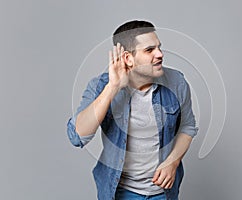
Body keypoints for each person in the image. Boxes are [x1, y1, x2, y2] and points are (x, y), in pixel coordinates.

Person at [67, 20, 198, 200]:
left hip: (163, 193)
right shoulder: (100, 86)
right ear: (128, 58)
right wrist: (112, 88)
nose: (159, 54)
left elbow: (187, 126)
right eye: (149, 50)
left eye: (159, 47)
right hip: (120, 192)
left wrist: (172, 162)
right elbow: (77, 136)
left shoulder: (176, 81)